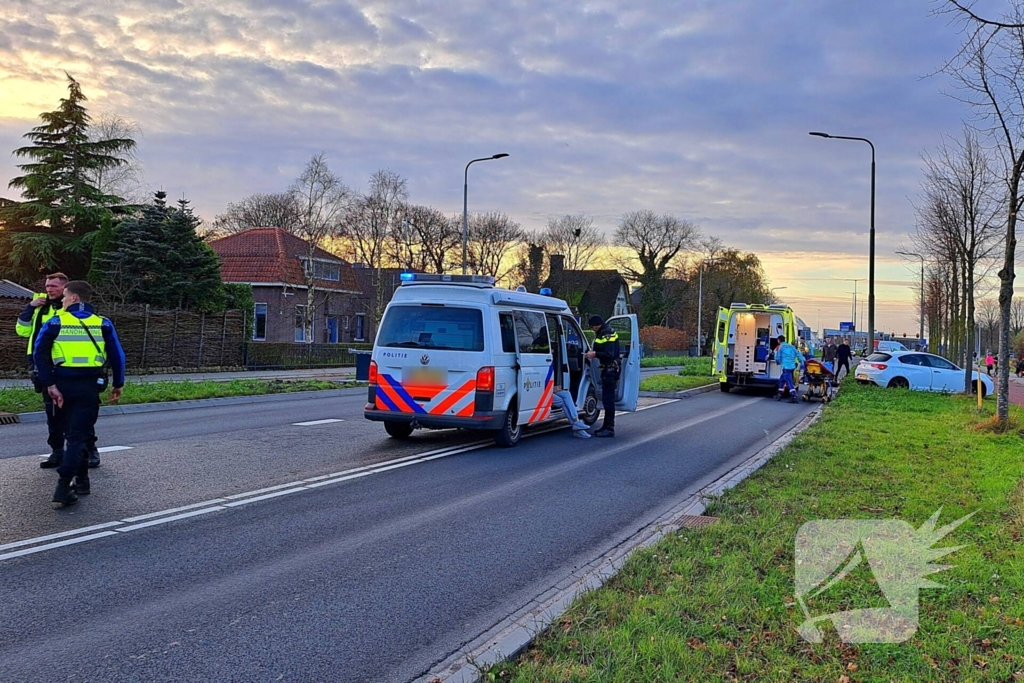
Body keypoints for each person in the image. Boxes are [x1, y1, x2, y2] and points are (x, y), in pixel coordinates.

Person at [33, 280, 125, 508]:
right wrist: (118, 383)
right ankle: (78, 481)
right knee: (79, 435)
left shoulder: (55, 322)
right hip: (89, 387)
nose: (61, 300)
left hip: (61, 387)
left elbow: (39, 354)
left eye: (64, 296)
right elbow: (117, 356)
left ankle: (66, 485)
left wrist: (50, 385)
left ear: (74, 298)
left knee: (72, 436)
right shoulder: (103, 323)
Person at [16, 272, 68, 468]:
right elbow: (22, 331)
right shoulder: (40, 307)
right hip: (41, 366)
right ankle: (57, 452)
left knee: (75, 412)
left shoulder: (70, 307)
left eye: (53, 286)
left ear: (65, 287)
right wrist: (29, 308)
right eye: (47, 286)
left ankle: (89, 451)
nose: (49, 289)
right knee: (52, 411)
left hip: (65, 366)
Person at [585, 315, 621, 438]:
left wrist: (594, 354)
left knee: (608, 400)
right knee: (607, 399)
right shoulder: (603, 332)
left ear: (596, 324)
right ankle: (606, 427)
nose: (592, 329)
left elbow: (609, 353)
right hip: (608, 369)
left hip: (610, 369)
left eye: (592, 327)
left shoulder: (607, 333)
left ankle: (609, 428)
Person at [774, 335, 805, 403]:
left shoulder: (780, 347)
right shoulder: (792, 347)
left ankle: (794, 396)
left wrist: (777, 362)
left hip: (786, 367)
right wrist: (802, 363)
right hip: (792, 366)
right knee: (781, 380)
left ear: (778, 340)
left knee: (789, 382)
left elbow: (778, 357)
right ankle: (779, 393)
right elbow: (799, 355)